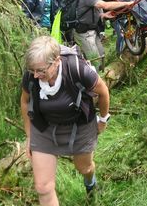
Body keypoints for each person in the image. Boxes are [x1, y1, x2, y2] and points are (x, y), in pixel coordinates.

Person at [20, 36, 111, 204]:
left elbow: (103, 91)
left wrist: (103, 119)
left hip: (80, 125)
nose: (36, 75)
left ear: (57, 61)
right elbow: (25, 102)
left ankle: (90, 182)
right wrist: (29, 136)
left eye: (41, 70)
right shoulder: (32, 75)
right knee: (43, 187)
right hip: (45, 128)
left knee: (84, 167)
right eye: (32, 70)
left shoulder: (78, 69)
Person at [75, 0, 133, 70]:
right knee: (95, 60)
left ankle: (101, 76)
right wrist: (127, 3)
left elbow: (91, 12)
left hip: (93, 31)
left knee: (101, 55)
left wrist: (103, 15)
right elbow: (105, 5)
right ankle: (94, 80)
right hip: (85, 33)